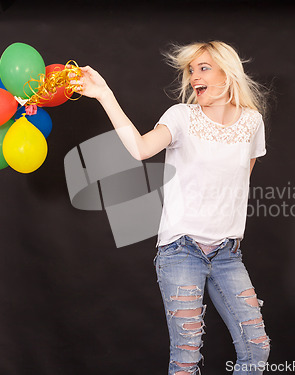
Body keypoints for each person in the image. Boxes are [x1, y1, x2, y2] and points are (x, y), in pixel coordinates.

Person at [72, 41, 271, 375]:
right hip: (182, 251)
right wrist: (104, 93)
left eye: (203, 68)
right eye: (191, 70)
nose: (194, 76)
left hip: (228, 254)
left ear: (227, 71)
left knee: (257, 348)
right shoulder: (182, 117)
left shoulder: (251, 122)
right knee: (186, 359)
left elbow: (239, 182)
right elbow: (140, 149)